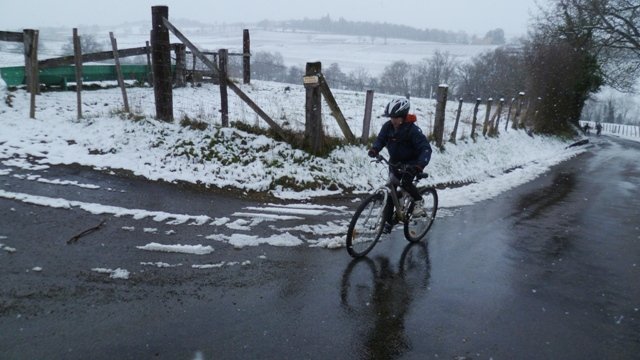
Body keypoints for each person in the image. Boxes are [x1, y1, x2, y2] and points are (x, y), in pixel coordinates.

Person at [368, 98, 432, 233]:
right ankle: (389, 222)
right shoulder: (388, 127)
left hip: (412, 164)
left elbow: (425, 149)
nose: (393, 120)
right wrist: (375, 149)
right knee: (391, 191)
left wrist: (419, 165)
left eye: (396, 118)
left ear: (403, 117)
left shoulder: (413, 131)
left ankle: (418, 201)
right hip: (395, 162)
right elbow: (381, 139)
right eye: (391, 117)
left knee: (406, 182)